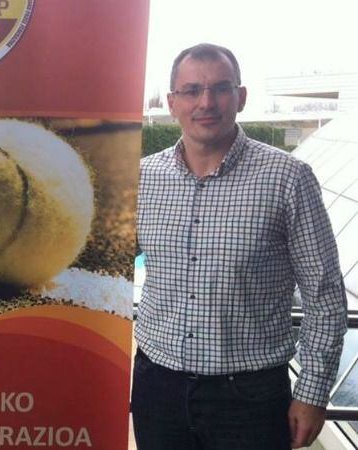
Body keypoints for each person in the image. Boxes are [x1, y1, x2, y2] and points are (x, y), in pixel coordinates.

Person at [132, 43, 347, 450]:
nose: (206, 102)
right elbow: (106, 265)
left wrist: (313, 393)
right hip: (157, 389)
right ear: (172, 102)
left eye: (221, 88)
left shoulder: (289, 178)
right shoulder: (141, 178)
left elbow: (324, 294)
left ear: (241, 97)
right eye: (192, 90)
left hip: (250, 400)